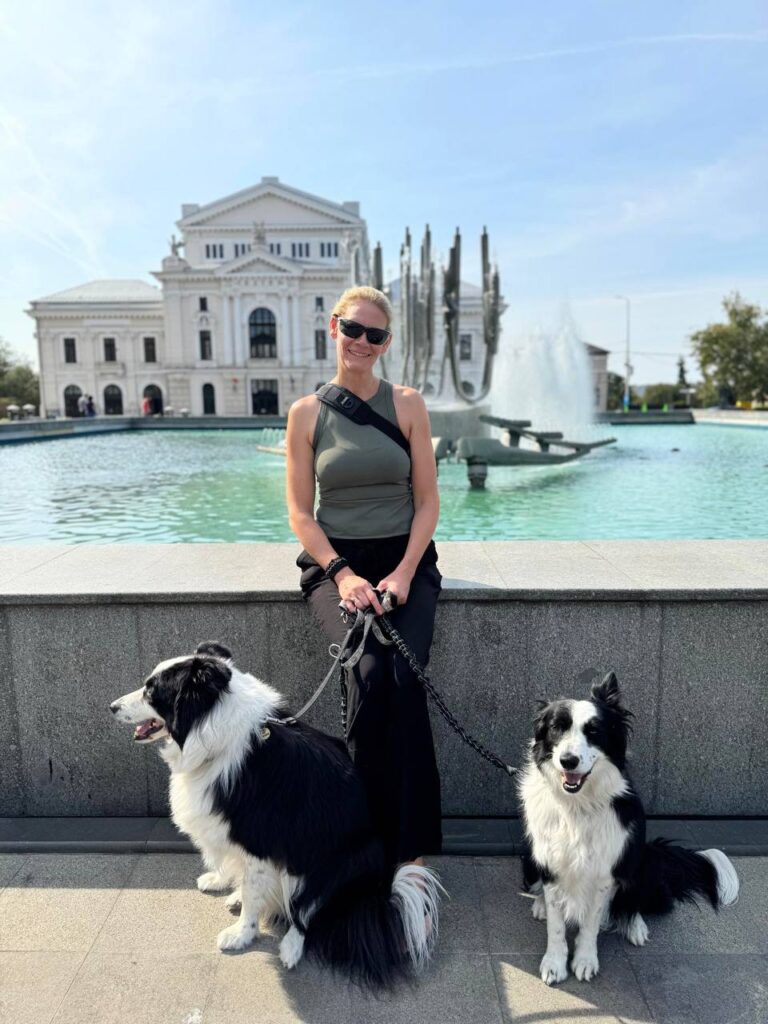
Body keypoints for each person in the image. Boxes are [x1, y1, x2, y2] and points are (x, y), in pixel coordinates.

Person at [286, 285, 442, 873]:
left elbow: (427, 503)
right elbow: (302, 513)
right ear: (334, 328)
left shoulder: (408, 404)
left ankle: (413, 846)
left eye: (375, 335)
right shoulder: (306, 413)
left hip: (406, 562)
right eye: (354, 330)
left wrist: (403, 574)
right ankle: (362, 830)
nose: (362, 343)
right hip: (335, 565)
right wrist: (342, 573)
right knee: (370, 677)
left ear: (387, 343)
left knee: (405, 677)